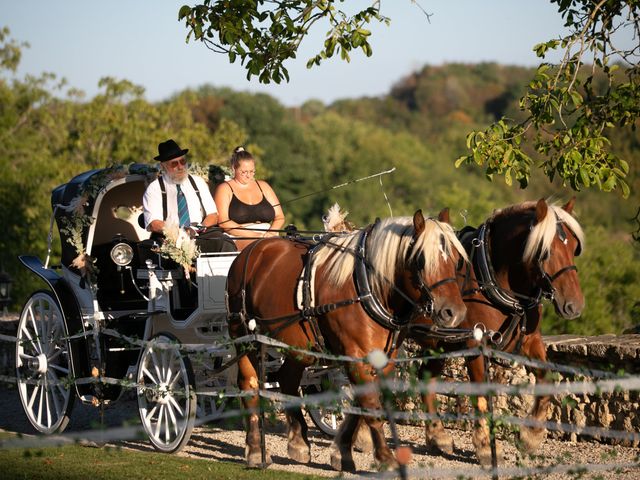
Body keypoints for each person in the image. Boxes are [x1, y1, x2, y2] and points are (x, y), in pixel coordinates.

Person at [143, 139, 233, 253]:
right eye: (174, 163)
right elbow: (154, 224)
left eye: (183, 161)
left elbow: (213, 215)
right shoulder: (154, 189)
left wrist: (197, 229)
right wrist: (179, 233)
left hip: (199, 233)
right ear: (163, 166)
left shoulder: (198, 182)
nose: (180, 166)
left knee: (225, 242)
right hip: (169, 237)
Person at [214, 146, 285, 250]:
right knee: (262, 248)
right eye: (244, 172)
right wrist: (256, 235)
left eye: (252, 171)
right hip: (239, 236)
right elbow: (223, 222)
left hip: (268, 235)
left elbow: (280, 217)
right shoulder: (225, 189)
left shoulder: (263, 186)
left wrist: (271, 232)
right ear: (234, 168)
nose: (249, 176)